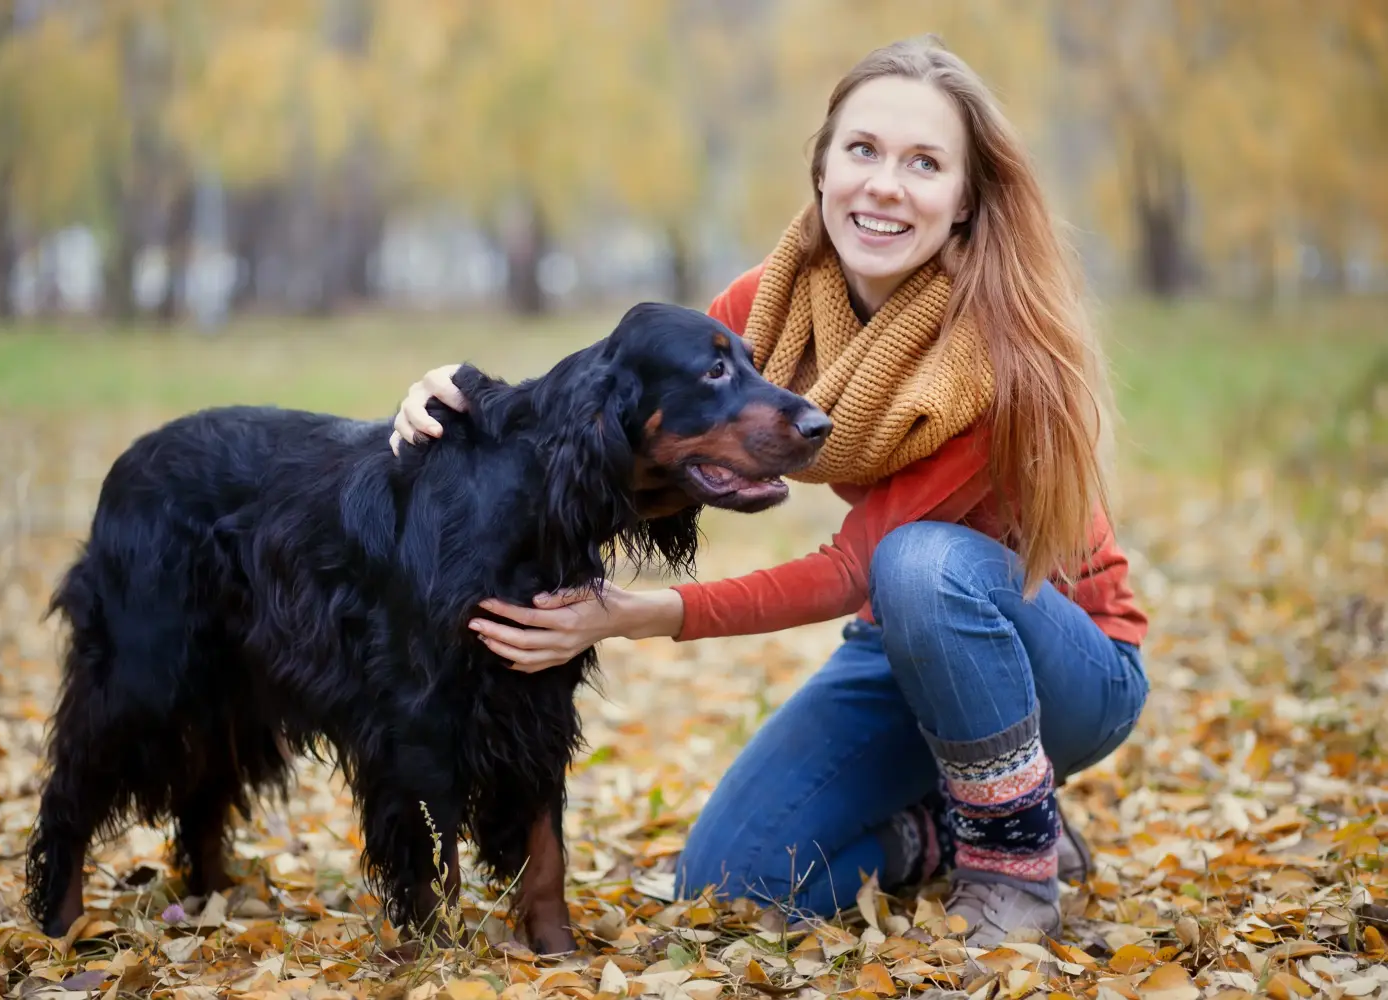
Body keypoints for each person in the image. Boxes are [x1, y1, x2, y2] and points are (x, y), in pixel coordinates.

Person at [387, 36, 1149, 947]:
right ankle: (943, 829)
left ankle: (1011, 867)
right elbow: (614, 400)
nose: (884, 185)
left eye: (924, 164)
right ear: (823, 164)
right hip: (905, 652)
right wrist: (463, 395)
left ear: (964, 202)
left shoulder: (996, 354)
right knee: (732, 883)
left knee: (920, 563)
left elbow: (855, 569)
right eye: (862, 150)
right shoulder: (772, 307)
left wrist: (637, 612)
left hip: (1066, 662)